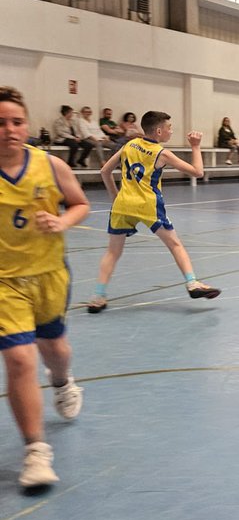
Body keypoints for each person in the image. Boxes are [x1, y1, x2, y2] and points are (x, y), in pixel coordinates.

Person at [0, 86, 89, 489]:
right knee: (19, 359)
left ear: (28, 125)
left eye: (16, 122)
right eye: (0, 123)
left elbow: (79, 203)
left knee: (55, 349)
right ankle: (36, 451)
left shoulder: (51, 166)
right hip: (5, 283)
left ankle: (62, 382)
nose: (9, 130)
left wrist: (62, 222)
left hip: (49, 274)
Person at [88, 111, 221, 313]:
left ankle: (98, 296)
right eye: (169, 127)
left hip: (123, 204)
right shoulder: (162, 153)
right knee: (175, 244)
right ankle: (192, 283)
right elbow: (198, 172)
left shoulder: (128, 145)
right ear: (159, 131)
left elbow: (104, 171)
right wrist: (195, 146)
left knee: (113, 252)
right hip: (148, 204)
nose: (171, 130)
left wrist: (115, 196)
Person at [51, 104, 94, 169]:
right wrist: (73, 138)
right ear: (66, 113)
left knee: (89, 145)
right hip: (63, 139)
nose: (72, 114)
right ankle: (70, 162)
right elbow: (60, 133)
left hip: (74, 138)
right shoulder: (59, 121)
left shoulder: (73, 121)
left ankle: (81, 160)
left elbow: (77, 131)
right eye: (71, 112)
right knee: (74, 145)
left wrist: (78, 137)